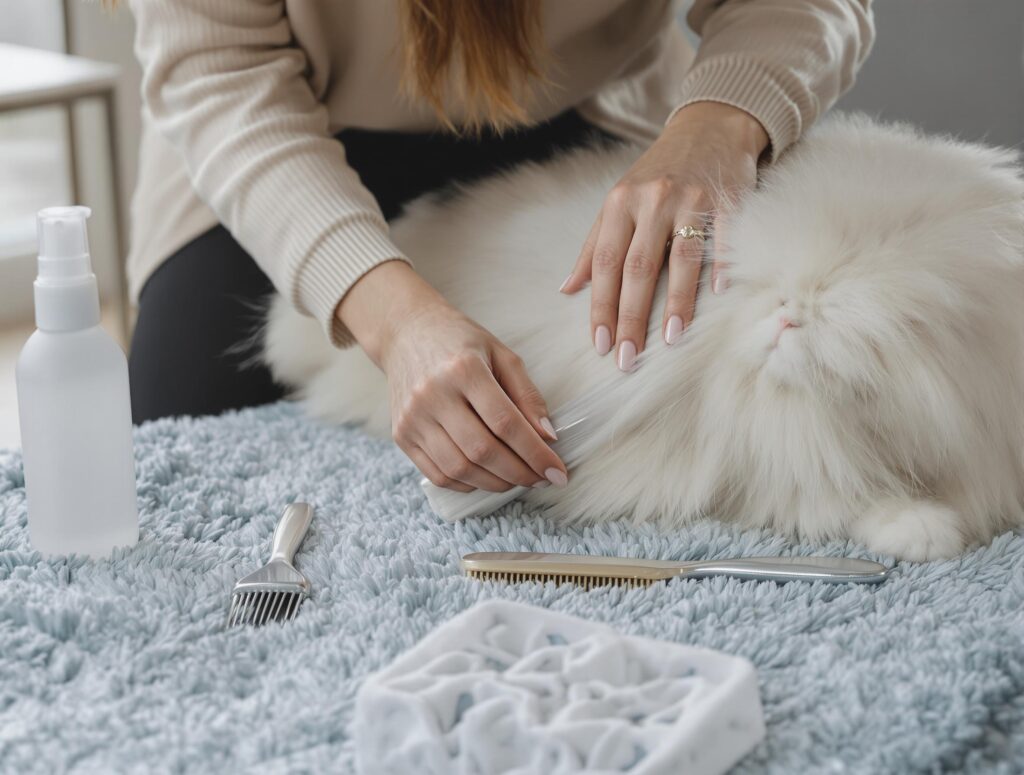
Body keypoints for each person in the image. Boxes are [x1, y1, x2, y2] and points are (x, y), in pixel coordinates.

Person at [125, 0, 874, 494]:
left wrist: (715, 130)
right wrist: (396, 320)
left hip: (591, 109)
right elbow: (220, 72)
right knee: (179, 454)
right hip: (277, 133)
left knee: (688, 400)